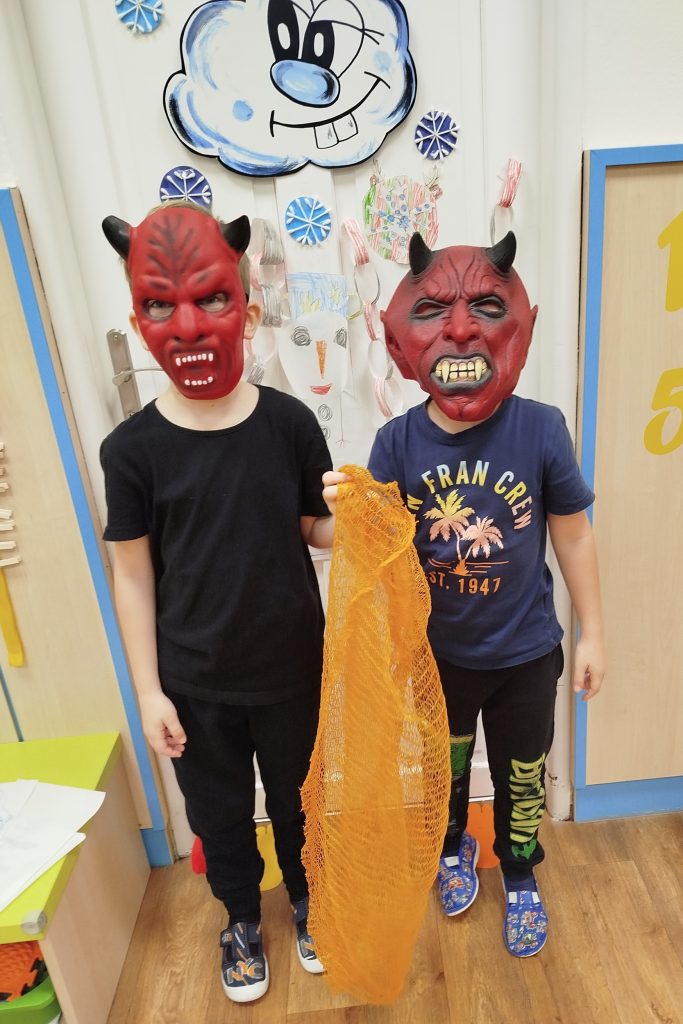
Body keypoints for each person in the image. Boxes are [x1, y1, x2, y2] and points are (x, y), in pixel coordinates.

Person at [323, 230, 605, 958]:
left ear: (520, 327)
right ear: (400, 339)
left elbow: (573, 535)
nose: (459, 330)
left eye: (484, 307)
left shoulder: (540, 429)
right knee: (443, 776)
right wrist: (350, 513)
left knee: (522, 776)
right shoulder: (395, 444)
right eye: (435, 312)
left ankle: (519, 872)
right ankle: (452, 849)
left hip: (525, 656)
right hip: (436, 659)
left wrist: (593, 634)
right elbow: (380, 555)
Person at [100, 202, 336, 1002]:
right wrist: (148, 691)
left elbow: (312, 526)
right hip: (194, 682)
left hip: (292, 669)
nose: (188, 326)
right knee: (219, 813)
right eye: (160, 306)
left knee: (302, 802)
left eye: (210, 299)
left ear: (250, 310)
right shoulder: (130, 452)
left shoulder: (289, 424)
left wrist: (357, 518)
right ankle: (240, 916)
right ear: (138, 322)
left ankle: (308, 899)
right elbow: (133, 574)